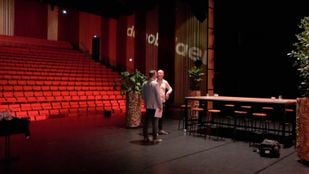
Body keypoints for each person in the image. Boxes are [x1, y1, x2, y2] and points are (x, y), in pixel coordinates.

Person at [142, 70, 163, 143]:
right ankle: (155, 139)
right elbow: (158, 96)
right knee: (155, 122)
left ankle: (145, 137)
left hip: (148, 106)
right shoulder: (155, 84)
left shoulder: (144, 83)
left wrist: (145, 103)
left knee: (146, 122)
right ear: (154, 75)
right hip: (154, 106)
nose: (157, 75)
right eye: (156, 74)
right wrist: (160, 105)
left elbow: (143, 95)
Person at [156, 69, 173, 135]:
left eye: (160, 73)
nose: (159, 74)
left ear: (163, 74)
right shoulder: (154, 82)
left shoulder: (165, 82)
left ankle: (160, 129)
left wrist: (168, 93)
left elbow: (170, 88)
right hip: (155, 101)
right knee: (156, 116)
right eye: (158, 73)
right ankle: (156, 130)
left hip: (162, 101)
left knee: (160, 117)